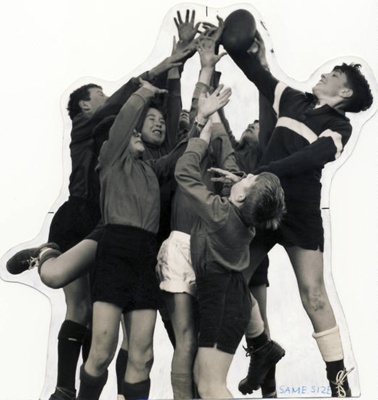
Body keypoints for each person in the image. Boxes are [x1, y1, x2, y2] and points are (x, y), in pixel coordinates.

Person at [6, 48, 192, 400]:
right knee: (68, 292)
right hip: (82, 221)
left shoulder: (147, 167)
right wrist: (151, 80)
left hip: (112, 228)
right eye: (102, 96)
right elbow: (121, 115)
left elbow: (174, 154)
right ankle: (65, 387)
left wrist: (192, 108)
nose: (109, 99)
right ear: (87, 107)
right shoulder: (93, 129)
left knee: (133, 343)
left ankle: (118, 392)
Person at [221, 18, 373, 398]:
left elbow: (313, 156)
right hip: (262, 205)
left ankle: (339, 385)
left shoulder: (340, 125)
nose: (322, 75)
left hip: (301, 211)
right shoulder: (290, 98)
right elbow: (254, 71)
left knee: (314, 295)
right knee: (230, 279)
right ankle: (261, 349)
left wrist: (264, 171)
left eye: (332, 75)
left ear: (345, 91)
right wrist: (238, 42)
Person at [174, 102, 286, 398]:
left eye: (248, 179)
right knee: (205, 376)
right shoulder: (246, 220)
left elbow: (185, 174)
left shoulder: (221, 213)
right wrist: (239, 183)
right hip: (234, 295)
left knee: (210, 386)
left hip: (222, 301)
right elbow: (242, 194)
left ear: (239, 197)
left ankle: (262, 344)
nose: (244, 175)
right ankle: (262, 344)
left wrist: (202, 137)